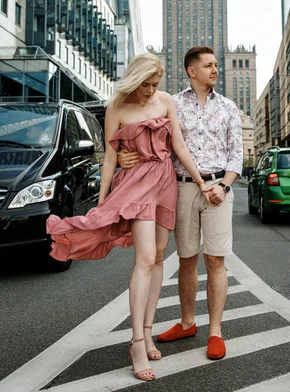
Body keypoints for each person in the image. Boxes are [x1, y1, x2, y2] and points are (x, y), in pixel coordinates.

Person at [46, 53, 209, 382]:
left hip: (165, 183)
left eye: (155, 85)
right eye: (146, 85)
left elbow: (177, 144)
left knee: (160, 256)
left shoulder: (165, 101)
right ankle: (136, 343)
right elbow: (109, 158)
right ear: (134, 81)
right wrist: (102, 201)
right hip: (135, 185)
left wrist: (202, 181)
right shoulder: (116, 107)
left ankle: (147, 332)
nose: (151, 91)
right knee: (145, 257)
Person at [119, 46, 243, 361]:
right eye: (209, 65)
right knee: (186, 259)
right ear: (192, 71)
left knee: (215, 261)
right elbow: (146, 138)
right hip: (181, 188)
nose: (216, 70)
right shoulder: (169, 102)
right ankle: (188, 322)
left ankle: (215, 331)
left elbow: (236, 153)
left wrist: (224, 186)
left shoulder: (228, 107)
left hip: (218, 189)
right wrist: (122, 153)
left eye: (216, 65)